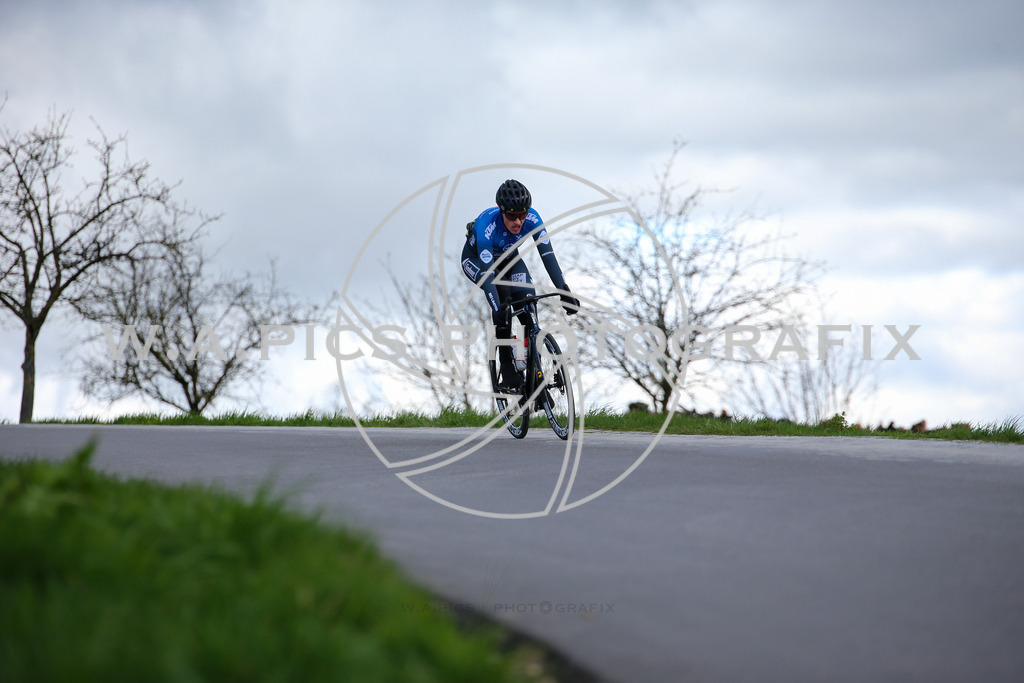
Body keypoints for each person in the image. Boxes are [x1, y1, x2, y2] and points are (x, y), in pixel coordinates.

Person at [461, 178, 579, 391]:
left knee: (527, 303)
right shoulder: (486, 226)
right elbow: (489, 276)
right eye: (512, 216)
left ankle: (534, 369)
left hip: (509, 260)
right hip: (479, 262)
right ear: (501, 211)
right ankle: (507, 366)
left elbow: (548, 256)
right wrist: (497, 309)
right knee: (503, 307)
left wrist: (564, 290)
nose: (518, 221)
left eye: (522, 215)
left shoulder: (533, 219)